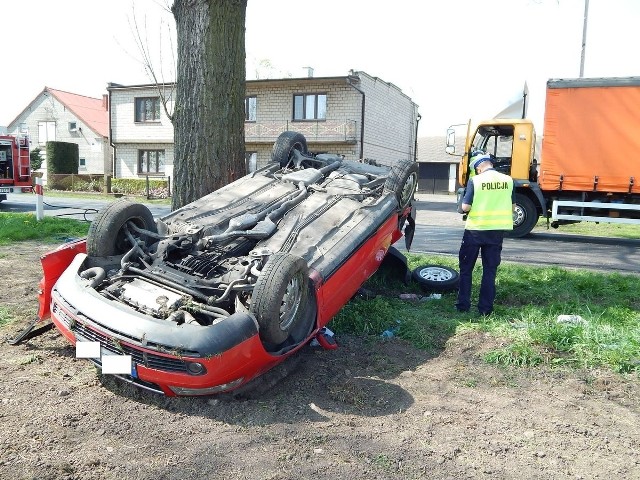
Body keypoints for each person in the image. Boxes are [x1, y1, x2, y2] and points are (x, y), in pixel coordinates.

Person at [455, 152, 515, 316]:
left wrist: (460, 206)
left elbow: (465, 207)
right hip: (496, 233)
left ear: (479, 167)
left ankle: (463, 306)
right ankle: (485, 310)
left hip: (475, 231)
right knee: (490, 271)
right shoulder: (508, 181)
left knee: (466, 269)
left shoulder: (476, 181)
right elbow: (512, 208)